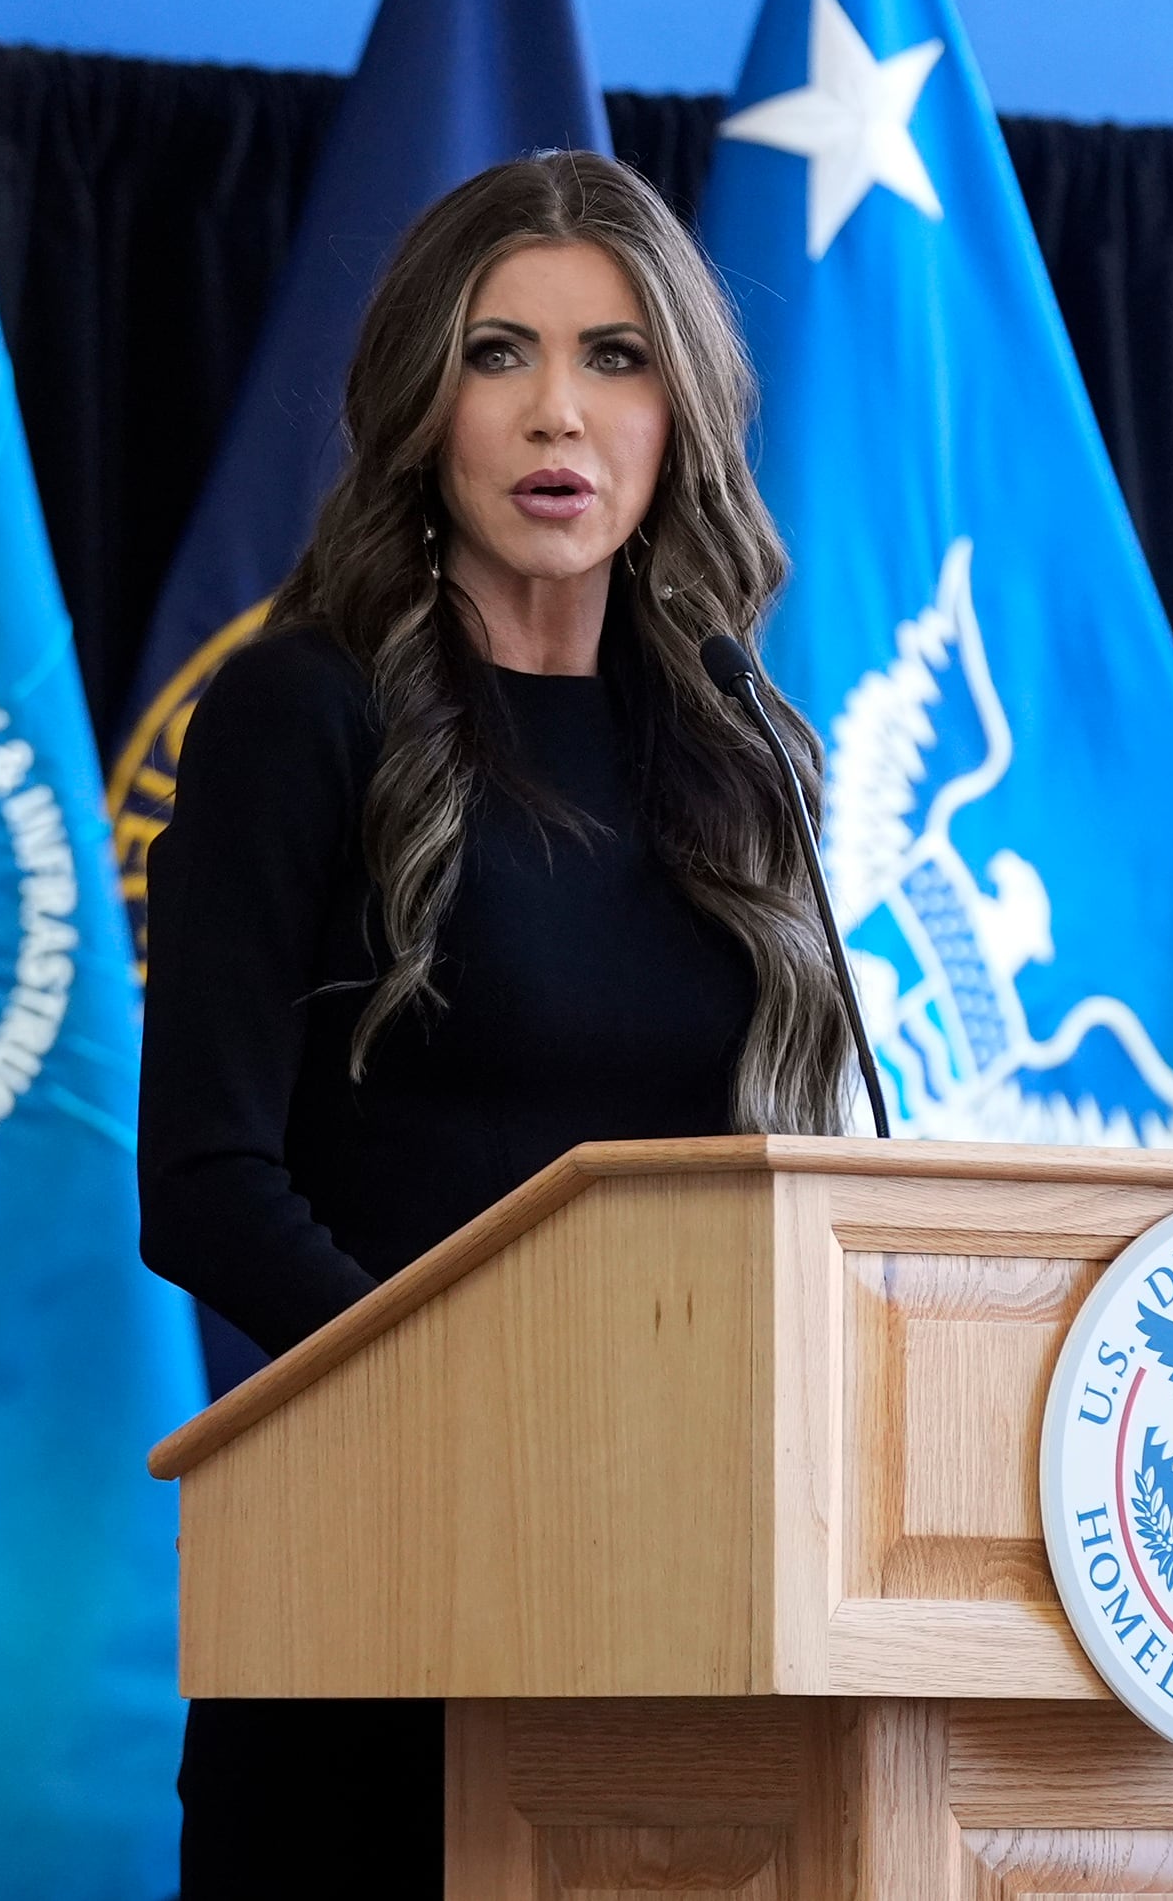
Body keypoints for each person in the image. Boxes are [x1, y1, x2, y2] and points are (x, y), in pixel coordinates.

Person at [138, 149, 859, 1892]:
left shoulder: (734, 744)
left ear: (680, 411)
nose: (561, 413)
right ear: (419, 402)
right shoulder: (299, 712)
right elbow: (207, 1177)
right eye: (498, 353)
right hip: (373, 1570)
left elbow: (781, 1163)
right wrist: (481, 1417)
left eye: (617, 358)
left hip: (674, 1577)